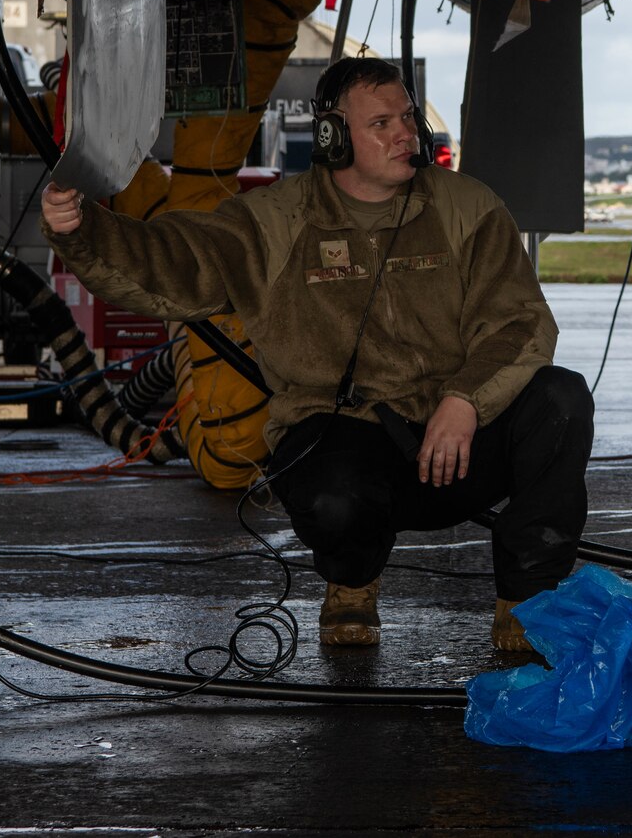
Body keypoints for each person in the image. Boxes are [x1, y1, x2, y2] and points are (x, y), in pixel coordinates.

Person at [40, 56, 593, 651]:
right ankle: (352, 581)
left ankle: (529, 598)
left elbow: (520, 322)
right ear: (332, 137)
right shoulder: (278, 220)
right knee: (331, 495)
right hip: (348, 446)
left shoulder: (467, 207)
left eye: (406, 117)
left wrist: (464, 401)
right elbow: (179, 259)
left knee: (560, 399)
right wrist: (83, 232)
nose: (406, 133)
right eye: (382, 123)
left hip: (456, 441)